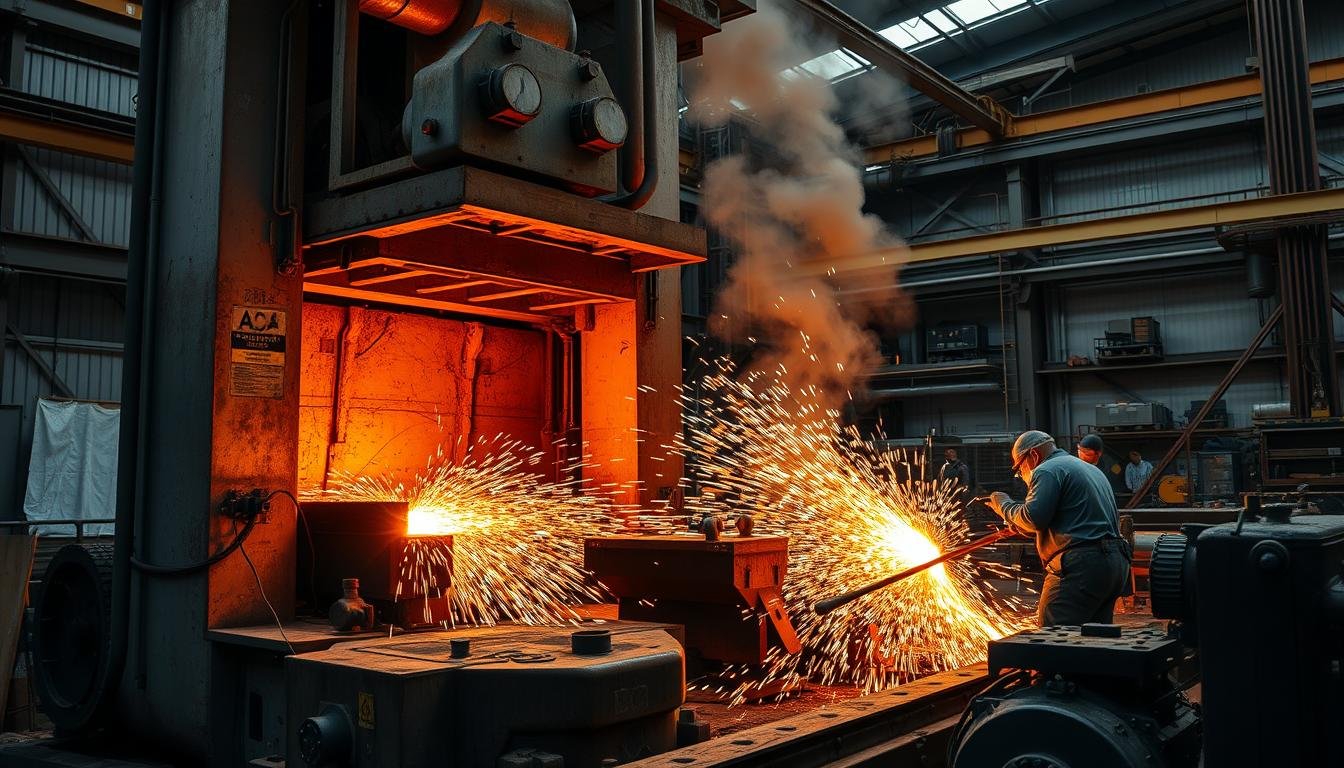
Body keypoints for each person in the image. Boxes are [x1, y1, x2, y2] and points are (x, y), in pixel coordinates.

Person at [986, 430, 1131, 627]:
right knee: (1096, 641)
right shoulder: (1089, 469)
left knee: (1053, 638)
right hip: (1114, 565)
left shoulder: (1046, 470)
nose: (1021, 476)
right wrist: (1021, 526)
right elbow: (1068, 516)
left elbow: (1033, 518)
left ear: (1033, 455)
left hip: (1081, 566)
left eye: (1020, 469)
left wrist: (1002, 504)